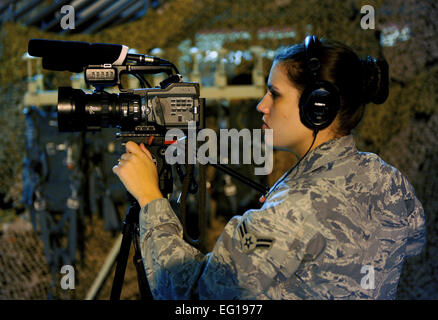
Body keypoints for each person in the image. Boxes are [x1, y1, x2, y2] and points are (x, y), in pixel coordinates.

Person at [112, 36, 426, 299]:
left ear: (317, 107)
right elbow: (412, 244)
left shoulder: (293, 210)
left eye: (275, 94)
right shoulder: (388, 178)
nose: (262, 105)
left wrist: (149, 198)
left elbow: (187, 296)